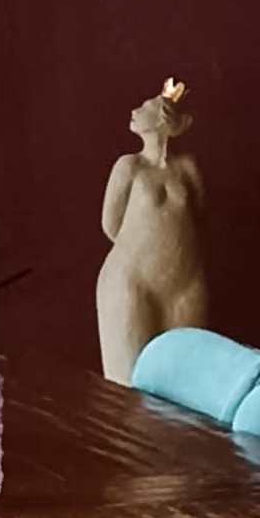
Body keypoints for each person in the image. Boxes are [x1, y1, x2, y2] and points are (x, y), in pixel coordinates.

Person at [97, 78, 209, 377]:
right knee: (128, 381)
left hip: (184, 284)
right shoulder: (129, 167)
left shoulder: (187, 168)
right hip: (134, 281)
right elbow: (110, 225)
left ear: (161, 119)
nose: (134, 111)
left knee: (185, 381)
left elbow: (197, 217)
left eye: (143, 107)